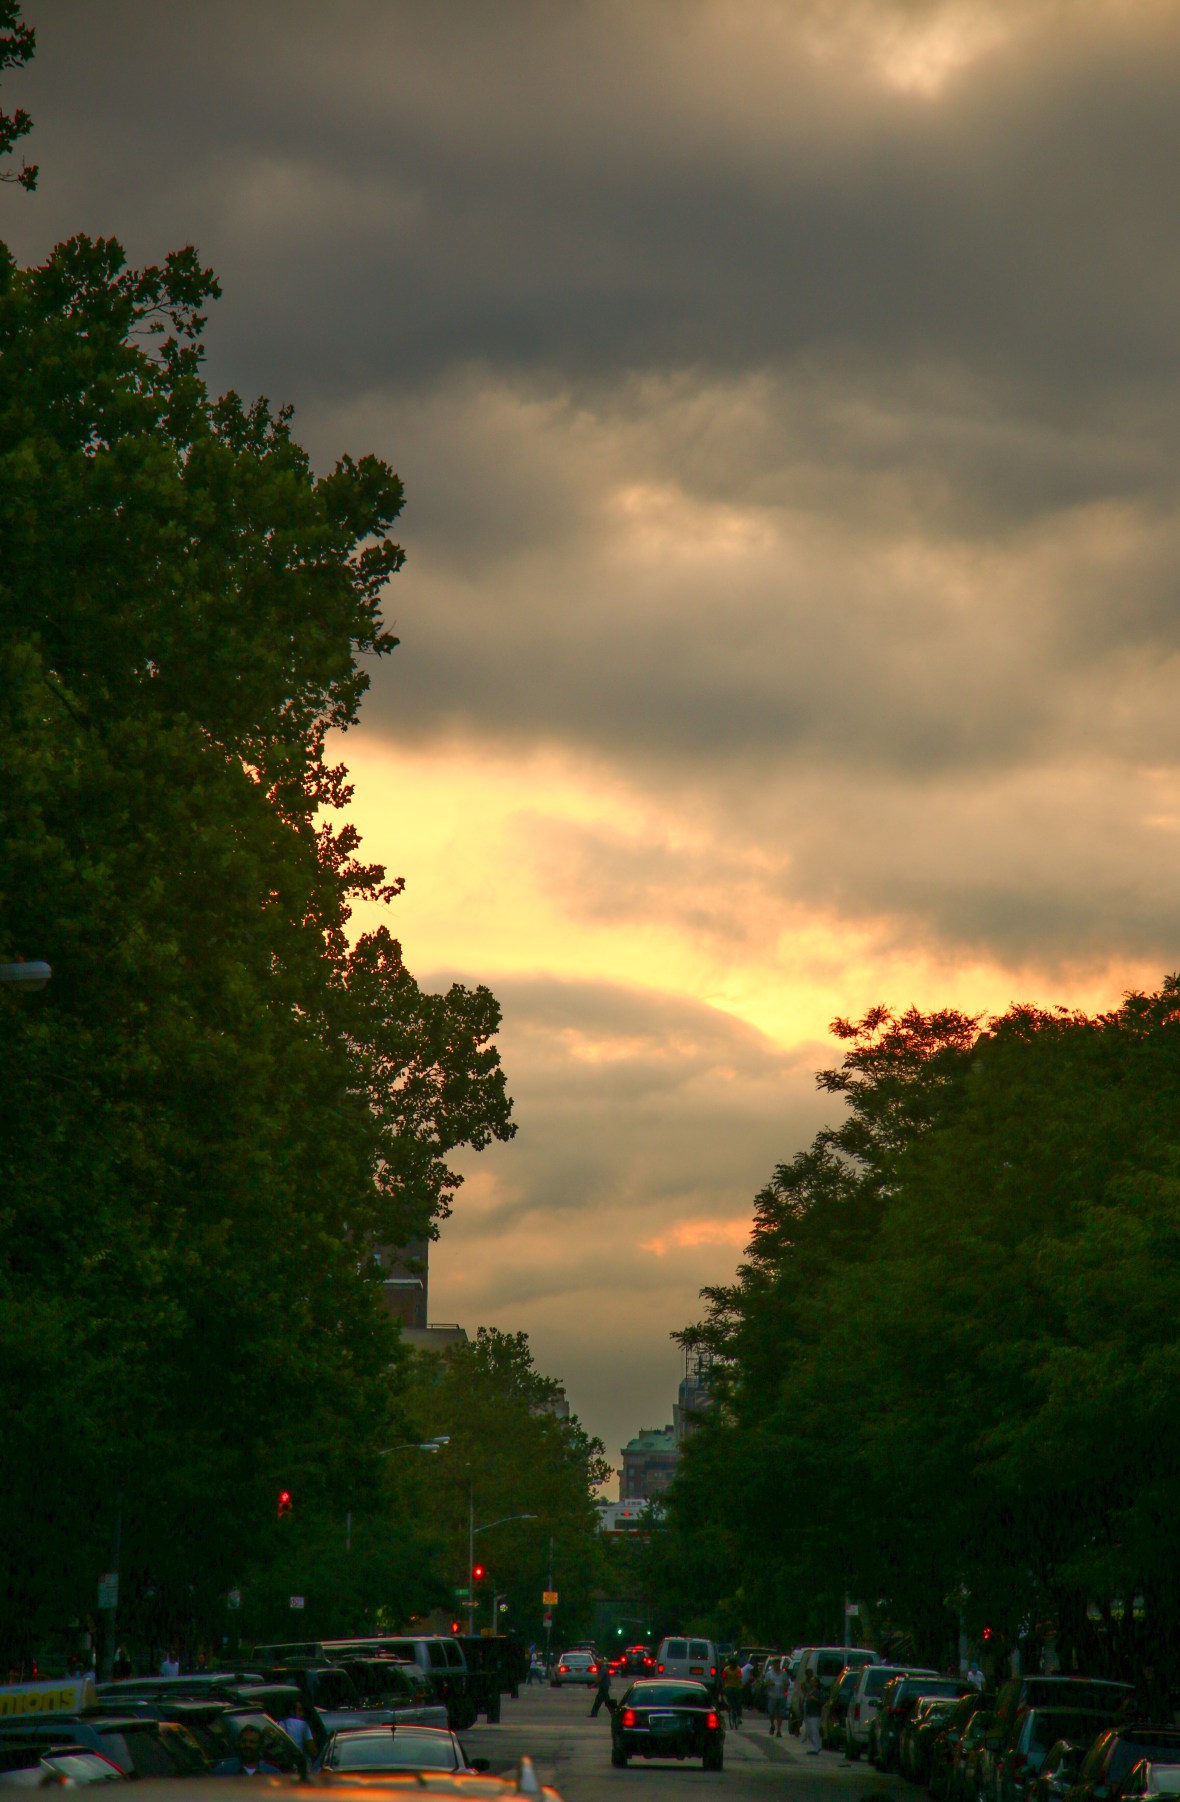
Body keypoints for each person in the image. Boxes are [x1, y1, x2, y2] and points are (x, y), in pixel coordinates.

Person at [214, 1726, 281, 1776]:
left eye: (252, 1742)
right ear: (238, 1744)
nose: (247, 1745)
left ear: (260, 1746)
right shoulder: (222, 1771)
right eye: (243, 1742)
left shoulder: (272, 1773)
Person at [280, 1698, 317, 1763]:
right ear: (291, 1711)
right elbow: (311, 1749)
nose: (302, 1714)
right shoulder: (303, 1725)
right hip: (302, 1765)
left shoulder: (278, 1724)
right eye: (300, 1710)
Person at [765, 1660, 788, 1737]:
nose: (777, 1666)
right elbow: (765, 1683)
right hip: (772, 1696)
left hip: (781, 1696)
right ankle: (772, 1725)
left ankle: (779, 1730)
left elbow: (787, 1683)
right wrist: (769, 1684)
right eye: (775, 1664)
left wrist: (786, 1686)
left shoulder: (784, 1674)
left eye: (778, 1664)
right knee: (771, 1712)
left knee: (780, 1714)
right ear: (773, 1665)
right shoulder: (769, 1674)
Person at [722, 1656, 744, 1729]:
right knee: (729, 1694)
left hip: (737, 1686)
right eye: (731, 1664)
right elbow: (723, 1678)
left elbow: (740, 1677)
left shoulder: (738, 1669)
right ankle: (730, 1706)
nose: (733, 1666)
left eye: (734, 1664)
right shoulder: (726, 1669)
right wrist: (723, 1686)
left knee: (739, 1701)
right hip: (728, 1686)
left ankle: (739, 1716)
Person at [803, 1674, 823, 1754]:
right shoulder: (809, 1691)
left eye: (812, 1681)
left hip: (815, 1715)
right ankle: (816, 1746)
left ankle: (816, 1748)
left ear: (816, 1683)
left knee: (814, 1731)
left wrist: (814, 1699)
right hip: (808, 1714)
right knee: (810, 1732)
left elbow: (821, 1702)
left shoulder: (818, 1692)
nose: (810, 1682)